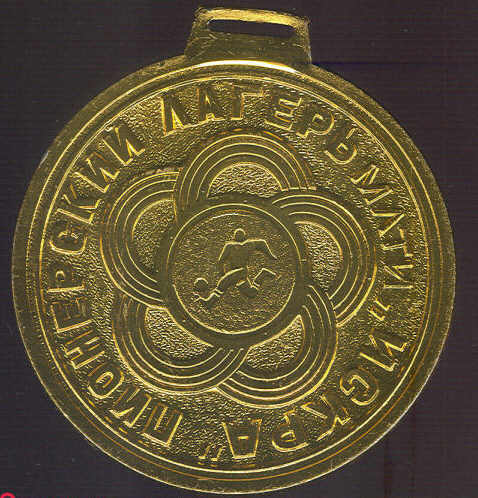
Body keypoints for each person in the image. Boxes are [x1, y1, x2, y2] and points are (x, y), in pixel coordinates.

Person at [193, 228, 277, 308]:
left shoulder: (230, 246)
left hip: (238, 271)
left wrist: (222, 274)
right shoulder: (250, 244)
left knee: (222, 283)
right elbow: (262, 242)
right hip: (243, 271)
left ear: (234, 236)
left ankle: (208, 302)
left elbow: (221, 261)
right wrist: (270, 255)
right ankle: (263, 274)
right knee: (251, 293)